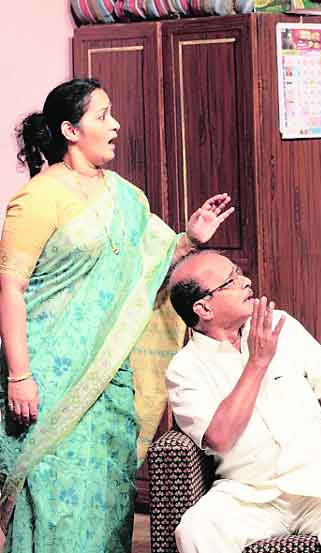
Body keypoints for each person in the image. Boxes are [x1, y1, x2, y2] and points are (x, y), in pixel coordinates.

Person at [0, 78, 233, 552]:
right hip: (47, 379)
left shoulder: (128, 199)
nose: (116, 125)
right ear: (70, 130)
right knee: (53, 501)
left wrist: (190, 239)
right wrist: (20, 376)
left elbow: (148, 271)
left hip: (109, 380)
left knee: (108, 500)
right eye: (102, 116)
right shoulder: (37, 199)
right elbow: (10, 288)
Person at [165, 250, 321, 553]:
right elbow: (219, 438)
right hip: (248, 494)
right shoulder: (184, 369)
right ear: (204, 308)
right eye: (230, 281)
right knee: (195, 531)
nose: (246, 282)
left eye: (239, 273)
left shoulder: (280, 324)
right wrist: (257, 362)